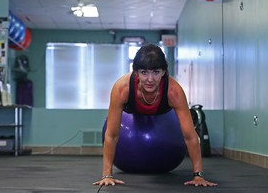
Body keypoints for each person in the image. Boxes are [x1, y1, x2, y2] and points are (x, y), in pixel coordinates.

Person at [93, 44, 217, 187]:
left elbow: (190, 135)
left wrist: (198, 175)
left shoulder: (173, 91)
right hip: (132, 113)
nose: (150, 79)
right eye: (144, 72)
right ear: (136, 72)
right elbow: (111, 135)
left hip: (163, 114)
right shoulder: (122, 88)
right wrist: (107, 175)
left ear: (164, 72)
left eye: (156, 72)